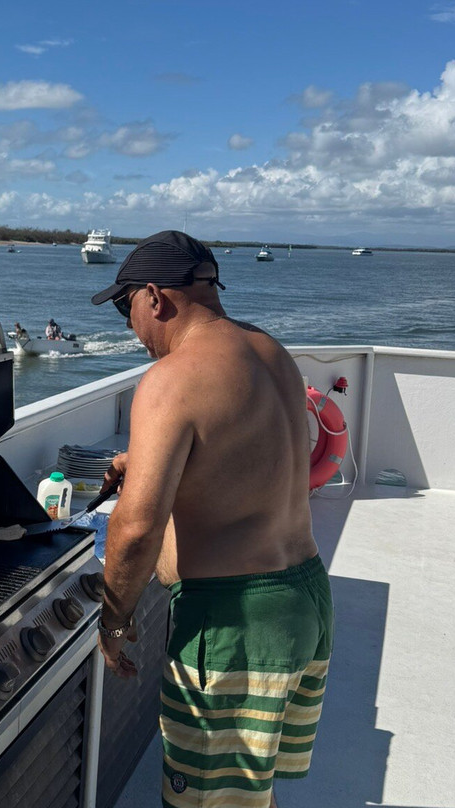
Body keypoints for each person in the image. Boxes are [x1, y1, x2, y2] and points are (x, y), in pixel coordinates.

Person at [90, 230, 334, 808]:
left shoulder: (170, 380)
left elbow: (134, 531)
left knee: (208, 801)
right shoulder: (270, 351)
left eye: (126, 310)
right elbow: (244, 459)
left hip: (236, 624)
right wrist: (148, 465)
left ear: (155, 297)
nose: (131, 328)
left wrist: (113, 621)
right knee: (248, 790)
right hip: (304, 600)